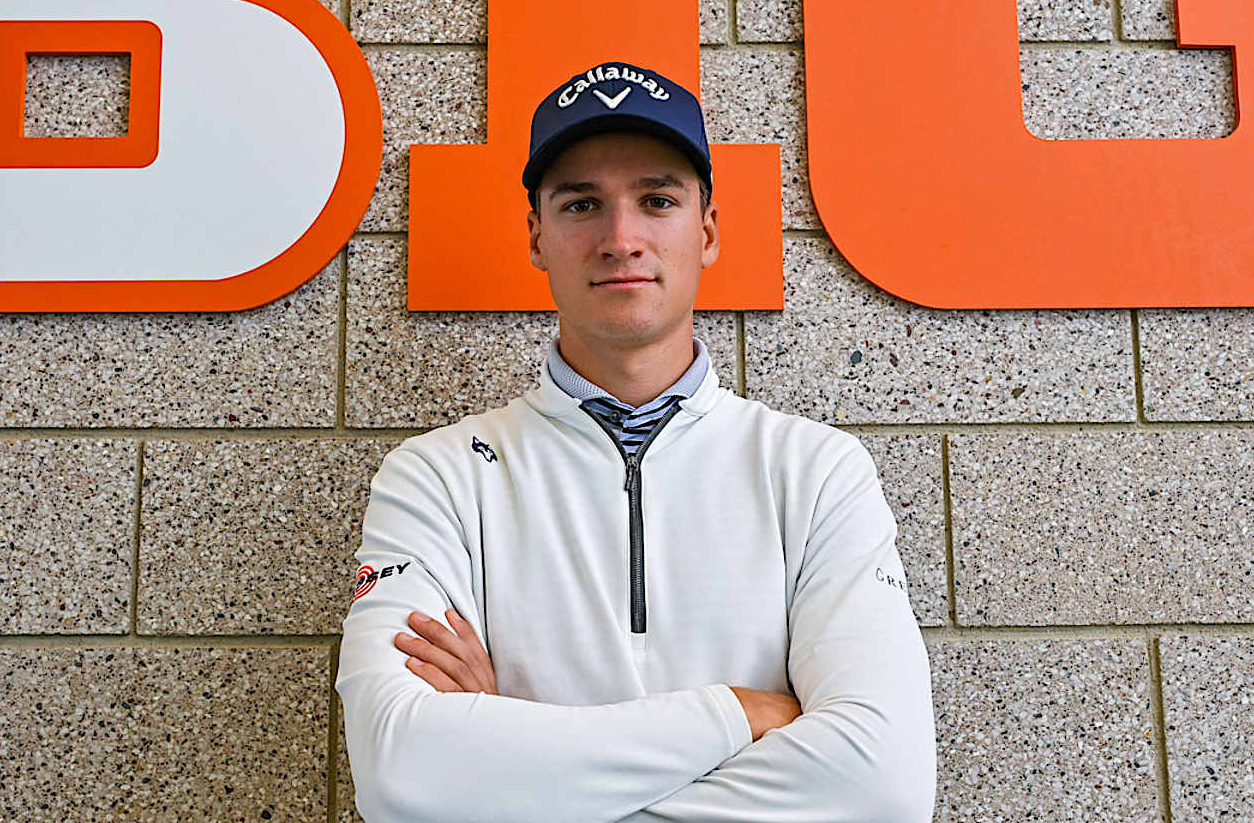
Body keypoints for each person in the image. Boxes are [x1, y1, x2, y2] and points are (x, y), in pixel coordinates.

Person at [335, 60, 937, 823]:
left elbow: (882, 788)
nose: (621, 239)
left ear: (708, 229)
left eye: (656, 200)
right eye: (582, 203)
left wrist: (512, 766)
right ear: (536, 235)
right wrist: (738, 714)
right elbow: (401, 772)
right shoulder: (438, 477)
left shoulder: (814, 471)